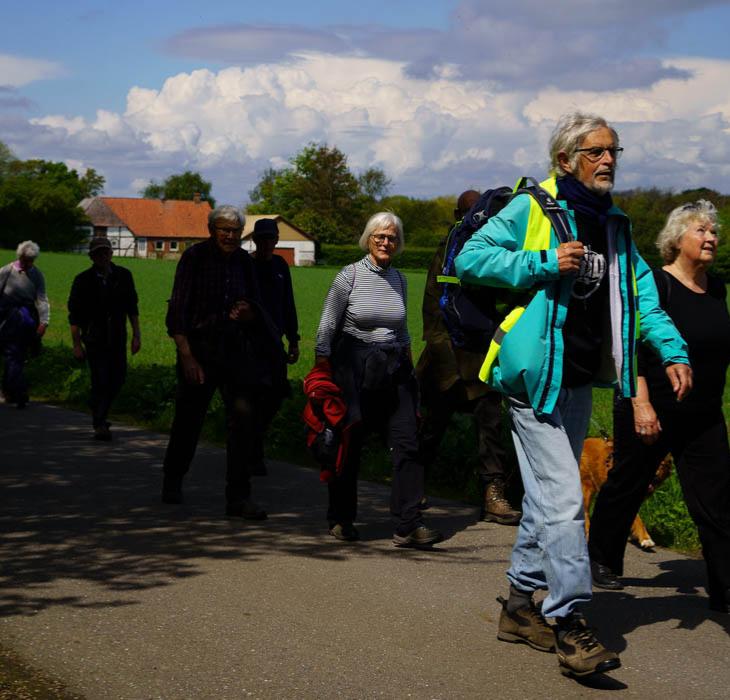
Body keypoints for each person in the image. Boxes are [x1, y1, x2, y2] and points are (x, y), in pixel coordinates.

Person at [454, 112, 692, 678]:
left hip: (581, 378)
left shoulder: (614, 225)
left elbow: (642, 297)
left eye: (614, 150)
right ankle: (569, 622)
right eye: (595, 151)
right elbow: (471, 258)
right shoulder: (533, 208)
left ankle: (517, 606)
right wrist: (540, 262)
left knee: (544, 502)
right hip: (533, 378)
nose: (607, 160)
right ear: (565, 160)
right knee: (564, 501)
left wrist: (673, 348)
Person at [589, 200, 730, 613]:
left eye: (714, 232)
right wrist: (641, 404)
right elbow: (629, 348)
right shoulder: (657, 285)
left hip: (703, 412)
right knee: (628, 484)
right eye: (701, 231)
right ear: (676, 239)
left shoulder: (717, 287)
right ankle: (601, 557)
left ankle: (724, 587)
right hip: (651, 404)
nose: (711, 238)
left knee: (718, 496)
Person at [315, 211, 442, 548]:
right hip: (354, 367)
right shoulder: (349, 277)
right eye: (380, 237)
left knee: (407, 441)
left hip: (394, 367)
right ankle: (341, 518)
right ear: (368, 239)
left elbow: (402, 330)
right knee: (350, 443)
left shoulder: (399, 279)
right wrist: (322, 369)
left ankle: (408, 523)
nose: (387, 242)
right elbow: (328, 325)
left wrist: (411, 372)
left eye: (392, 238)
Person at [162, 205, 284, 519]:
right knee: (189, 420)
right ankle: (173, 480)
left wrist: (249, 313)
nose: (229, 235)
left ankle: (239, 498)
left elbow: (257, 306)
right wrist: (187, 355)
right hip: (199, 349)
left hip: (236, 349)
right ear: (212, 229)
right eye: (223, 229)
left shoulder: (245, 262)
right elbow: (177, 310)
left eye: (234, 230)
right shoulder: (195, 258)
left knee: (243, 422)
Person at [416, 190, 520, 525]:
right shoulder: (446, 249)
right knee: (432, 427)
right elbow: (433, 304)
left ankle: (493, 495)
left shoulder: (490, 250)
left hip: (482, 356)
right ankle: (412, 485)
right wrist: (441, 353)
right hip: (445, 356)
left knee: (490, 428)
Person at [68, 237, 141, 440]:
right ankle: (100, 422)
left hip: (118, 337)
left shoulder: (124, 276)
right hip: (94, 339)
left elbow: (132, 308)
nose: (103, 256)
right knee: (101, 379)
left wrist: (136, 335)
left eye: (106, 252)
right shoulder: (82, 280)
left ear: (111, 253)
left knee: (118, 378)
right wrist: (76, 344)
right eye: (98, 253)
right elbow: (74, 316)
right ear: (92, 256)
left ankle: (96, 406)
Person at [250, 218, 300, 474]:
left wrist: (294, 339)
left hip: (275, 345)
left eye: (271, 238)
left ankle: (254, 443)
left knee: (276, 396)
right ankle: (252, 453)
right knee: (254, 399)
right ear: (255, 240)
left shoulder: (281, 265)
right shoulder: (246, 266)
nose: (268, 243)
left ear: (277, 240)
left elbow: (287, 303)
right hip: (249, 346)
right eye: (263, 238)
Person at [0, 241, 49, 408]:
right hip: (7, 318)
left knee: (16, 356)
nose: (28, 263)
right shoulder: (6, 271)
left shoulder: (37, 275)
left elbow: (42, 299)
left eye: (31, 260)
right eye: (26, 259)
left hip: (27, 319)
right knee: (13, 354)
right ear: (20, 256)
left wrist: (44, 322)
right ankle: (19, 391)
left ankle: (8, 390)